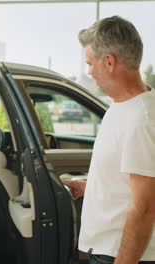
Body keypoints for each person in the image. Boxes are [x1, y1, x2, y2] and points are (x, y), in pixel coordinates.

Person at [65, 16, 155, 264]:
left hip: (120, 254)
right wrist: (90, 188)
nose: (89, 71)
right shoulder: (121, 106)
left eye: (90, 63)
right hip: (107, 250)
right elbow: (126, 178)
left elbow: (145, 207)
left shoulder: (142, 119)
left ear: (109, 61)